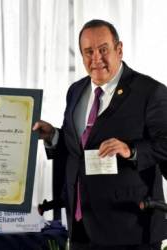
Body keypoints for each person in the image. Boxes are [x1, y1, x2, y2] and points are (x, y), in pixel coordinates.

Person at [33, 19, 167, 249]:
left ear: (119, 49)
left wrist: (131, 150)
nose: (96, 58)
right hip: (81, 226)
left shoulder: (150, 91)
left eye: (103, 49)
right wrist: (53, 136)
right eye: (88, 51)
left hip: (130, 228)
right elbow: (78, 148)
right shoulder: (76, 91)